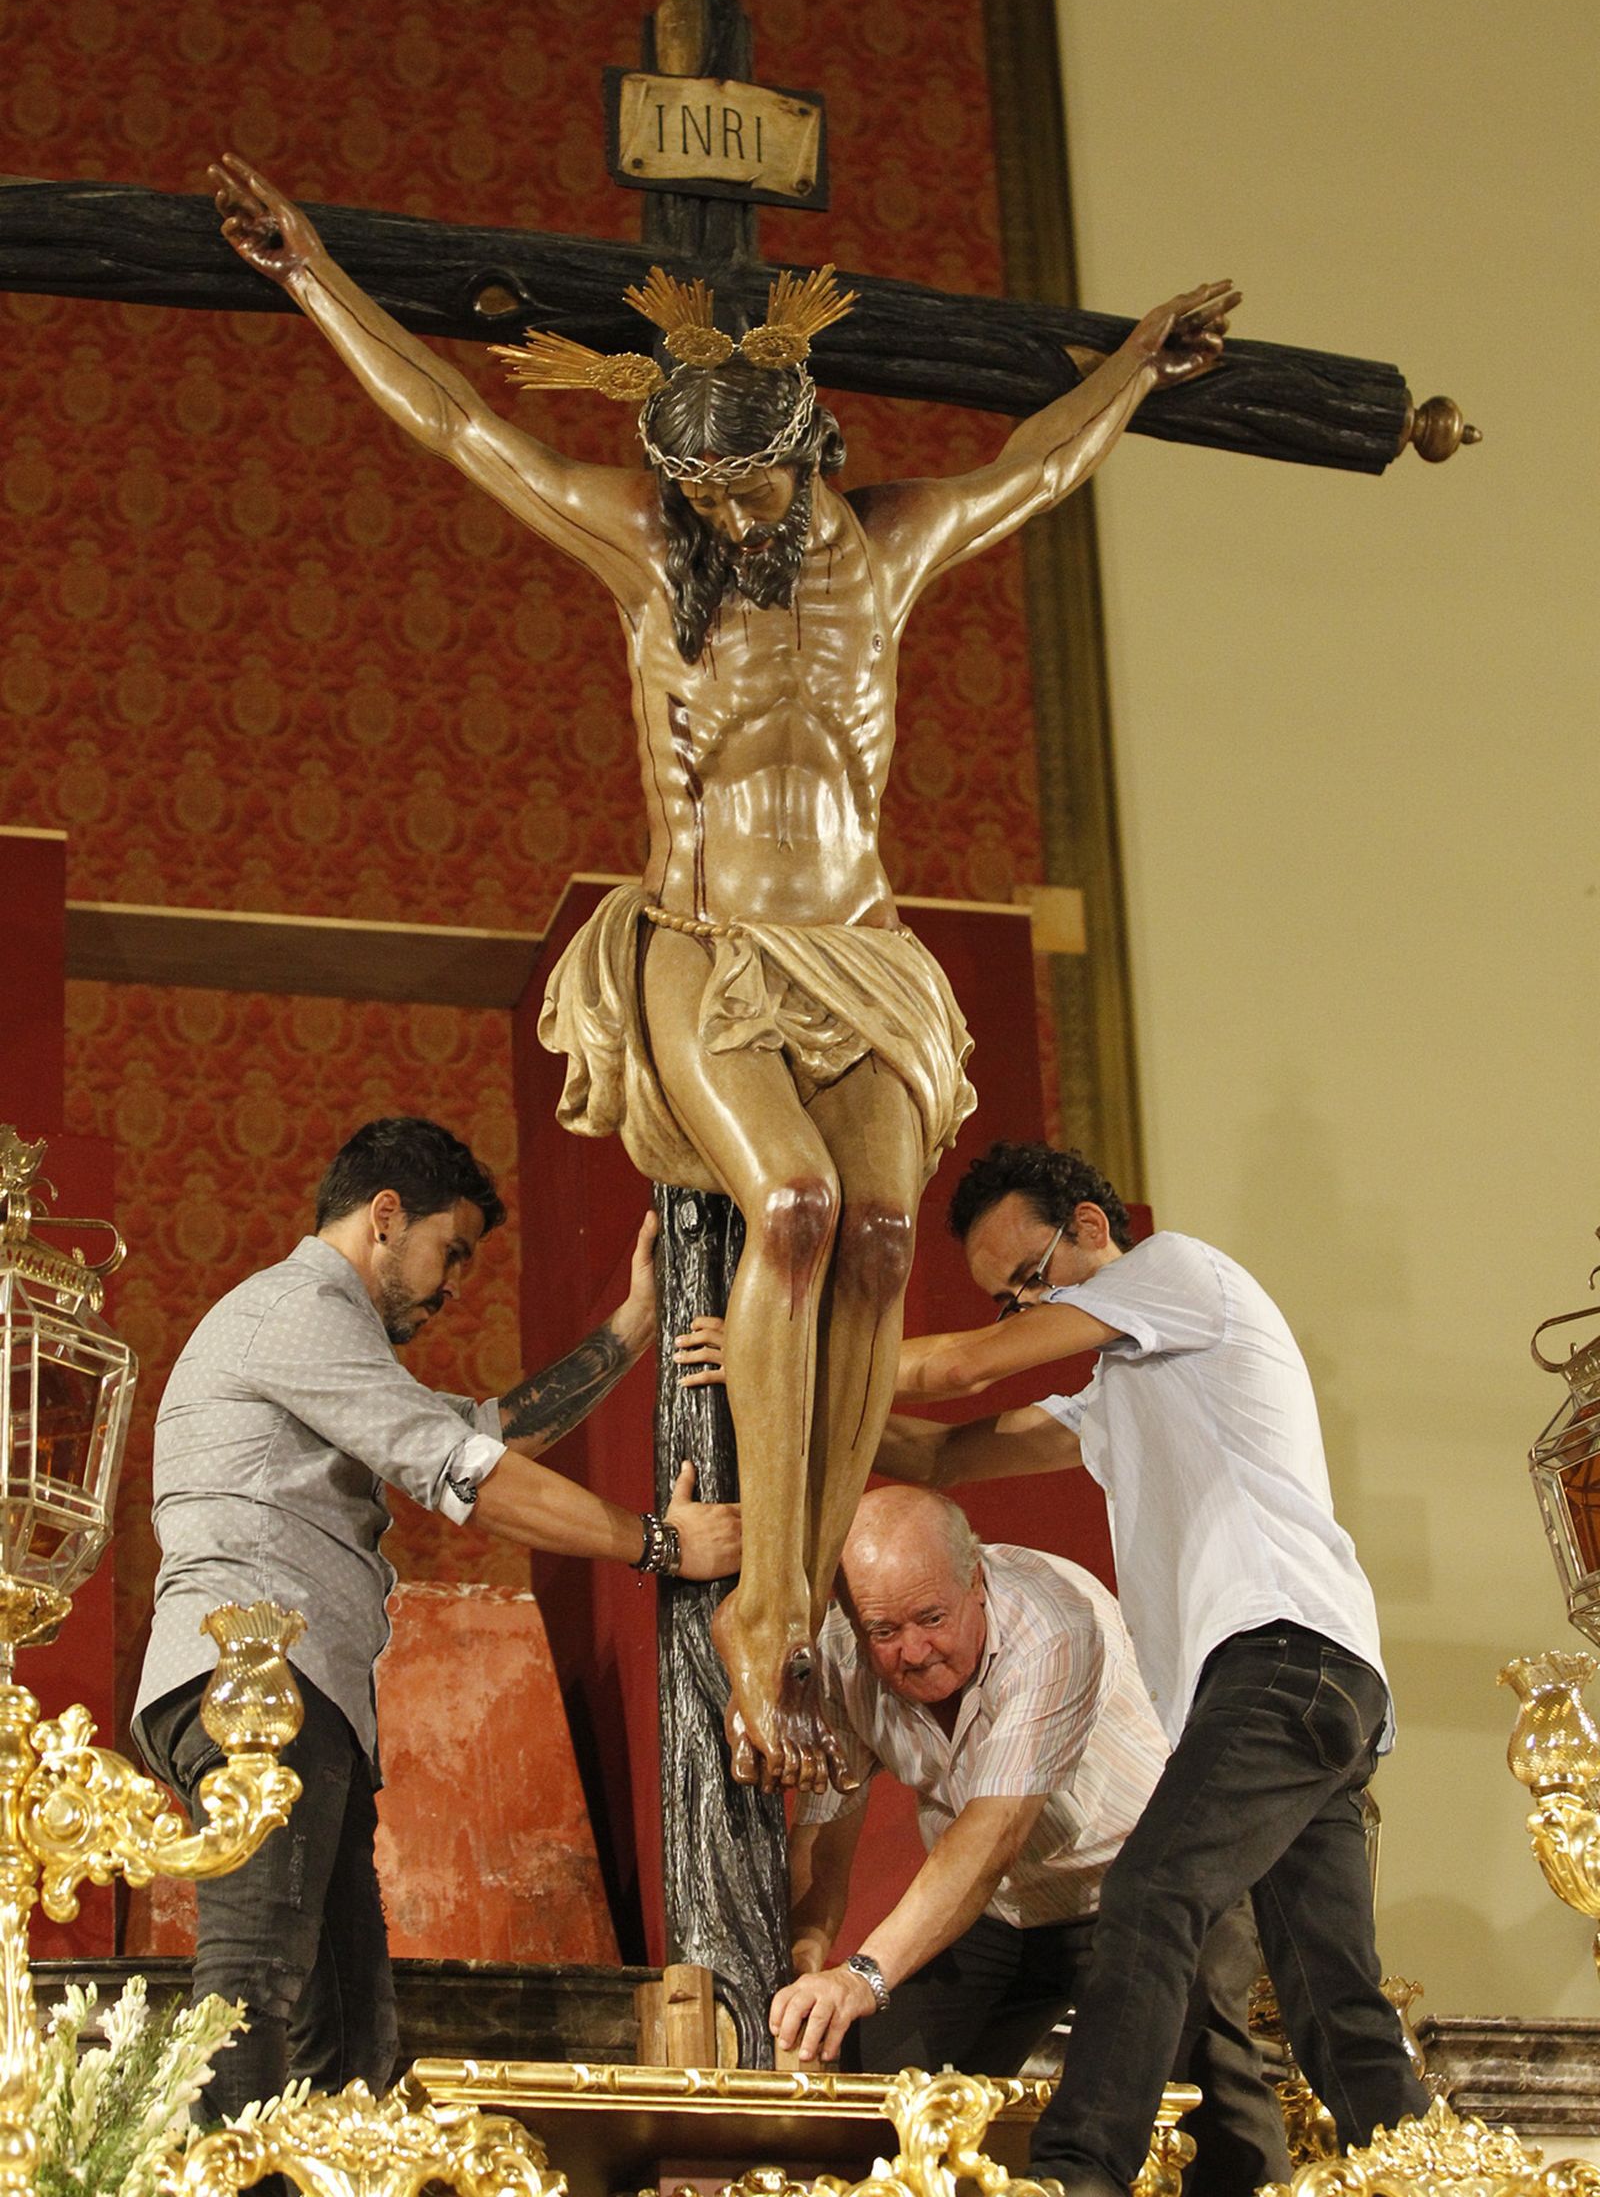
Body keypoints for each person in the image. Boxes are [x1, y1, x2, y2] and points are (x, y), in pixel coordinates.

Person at [208, 149, 1238, 1793]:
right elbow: (468, 431)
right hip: (701, 944)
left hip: (860, 950)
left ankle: (809, 1569)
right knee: (799, 1214)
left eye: (749, 488)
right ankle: (760, 1609)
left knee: (888, 1237)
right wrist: (315, 278)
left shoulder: (886, 551)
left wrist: (1132, 366)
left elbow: (1039, 473)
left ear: (811, 452)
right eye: (698, 490)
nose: (719, 516)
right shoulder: (647, 549)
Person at [132, 1114, 739, 2125]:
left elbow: (484, 1429)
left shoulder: (328, 1339)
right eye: (449, 1250)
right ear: (383, 1216)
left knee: (347, 2025)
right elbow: (468, 1473)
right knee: (256, 1977)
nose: (453, 1281)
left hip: (302, 1691)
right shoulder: (296, 1310)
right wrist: (661, 1544)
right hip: (255, 1683)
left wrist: (635, 1325)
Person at [865, 1140, 1429, 2196]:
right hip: (1312, 1692)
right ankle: (1425, 2176)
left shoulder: (1179, 1274)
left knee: (1150, 1893)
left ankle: (1080, 2175)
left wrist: (795, 1346)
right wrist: (802, 1419)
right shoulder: (1127, 1385)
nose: (1019, 1310)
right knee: (1331, 2002)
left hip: (1282, 1658)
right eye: (1004, 1300)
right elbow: (940, 1454)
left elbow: (957, 1371)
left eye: (1027, 1280)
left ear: (1088, 1225)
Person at [767, 1485, 1291, 2197]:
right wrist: (807, 1959)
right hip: (1004, 1914)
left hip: (1145, 1887)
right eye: (884, 1632)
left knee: (1211, 2090)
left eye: (931, 1619)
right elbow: (825, 1833)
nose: (913, 1652)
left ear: (976, 1579)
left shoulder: (1055, 1620)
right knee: (879, 2080)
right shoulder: (840, 1648)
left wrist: (862, 1974)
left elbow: (993, 1833)